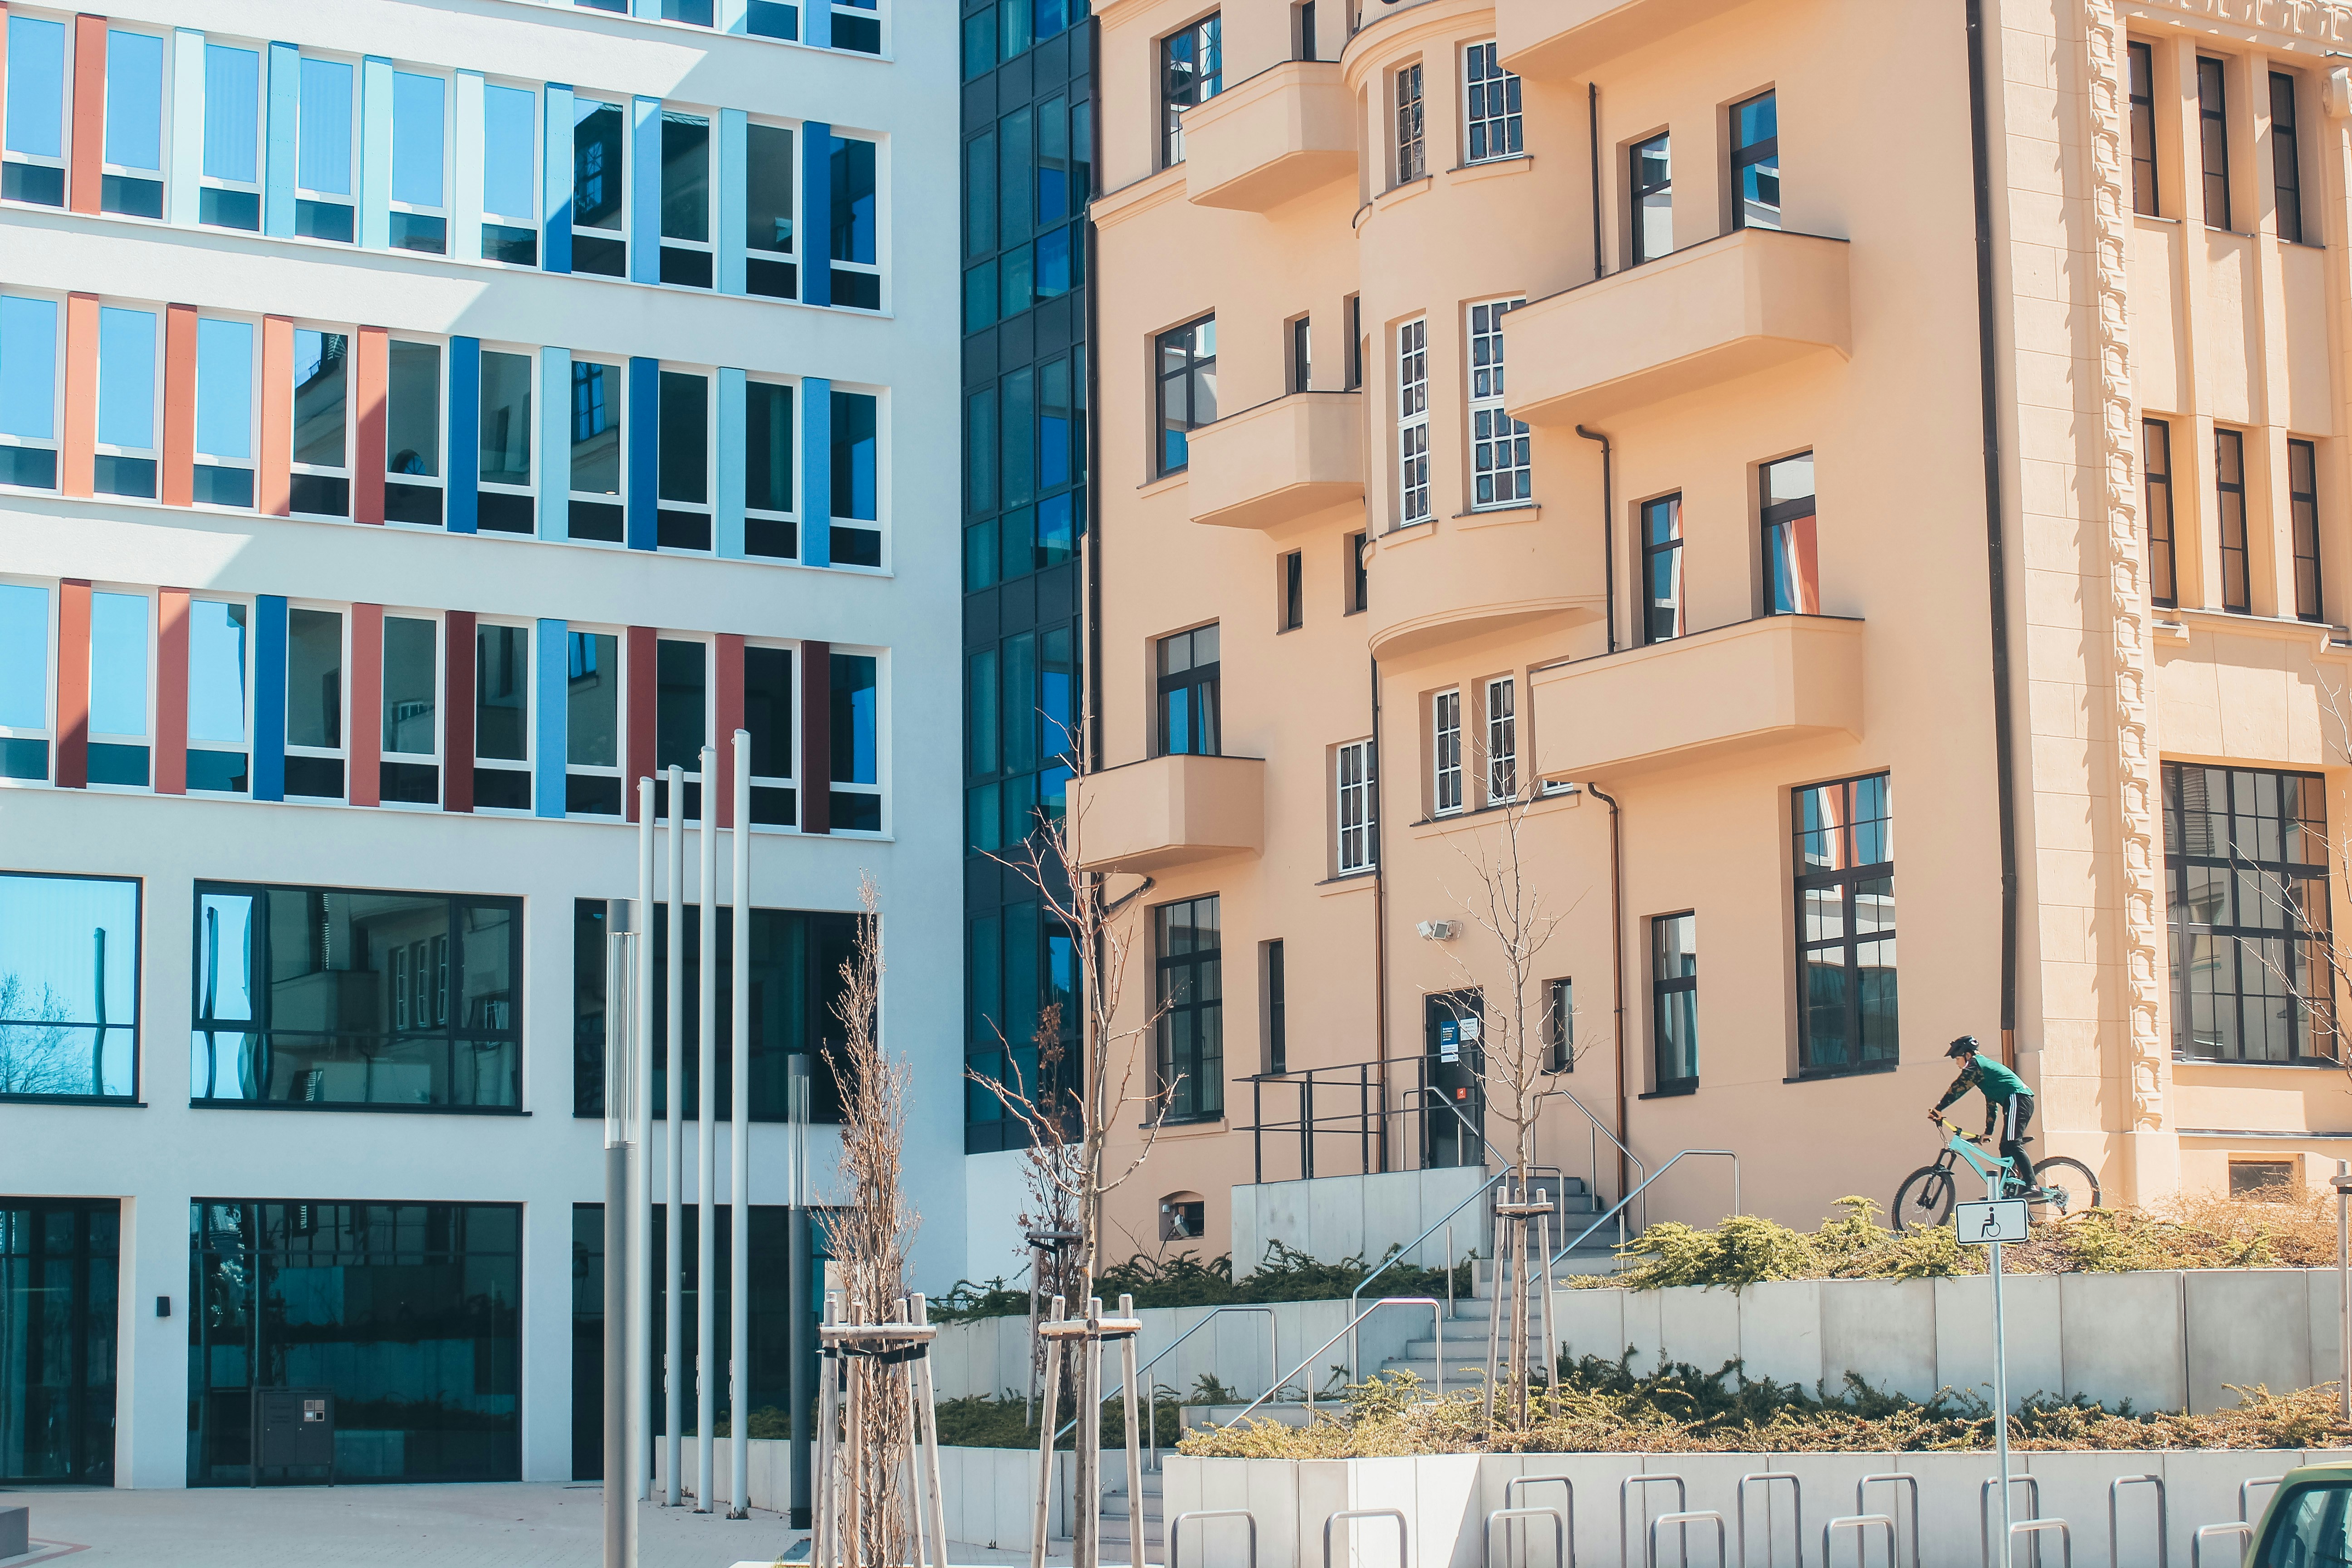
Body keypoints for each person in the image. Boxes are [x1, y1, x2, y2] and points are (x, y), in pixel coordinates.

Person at [1929, 1035, 2034, 1194]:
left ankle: (2033, 1185)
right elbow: (1991, 1104)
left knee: (2013, 1143)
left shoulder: (1976, 1065)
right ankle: (2008, 1190)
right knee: (2005, 1147)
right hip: (2015, 1102)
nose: (1957, 1064)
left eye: (1958, 1059)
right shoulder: (1984, 1073)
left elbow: (1959, 1087)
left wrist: (1939, 1108)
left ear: (1968, 1055)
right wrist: (1988, 1132)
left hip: (2018, 1099)